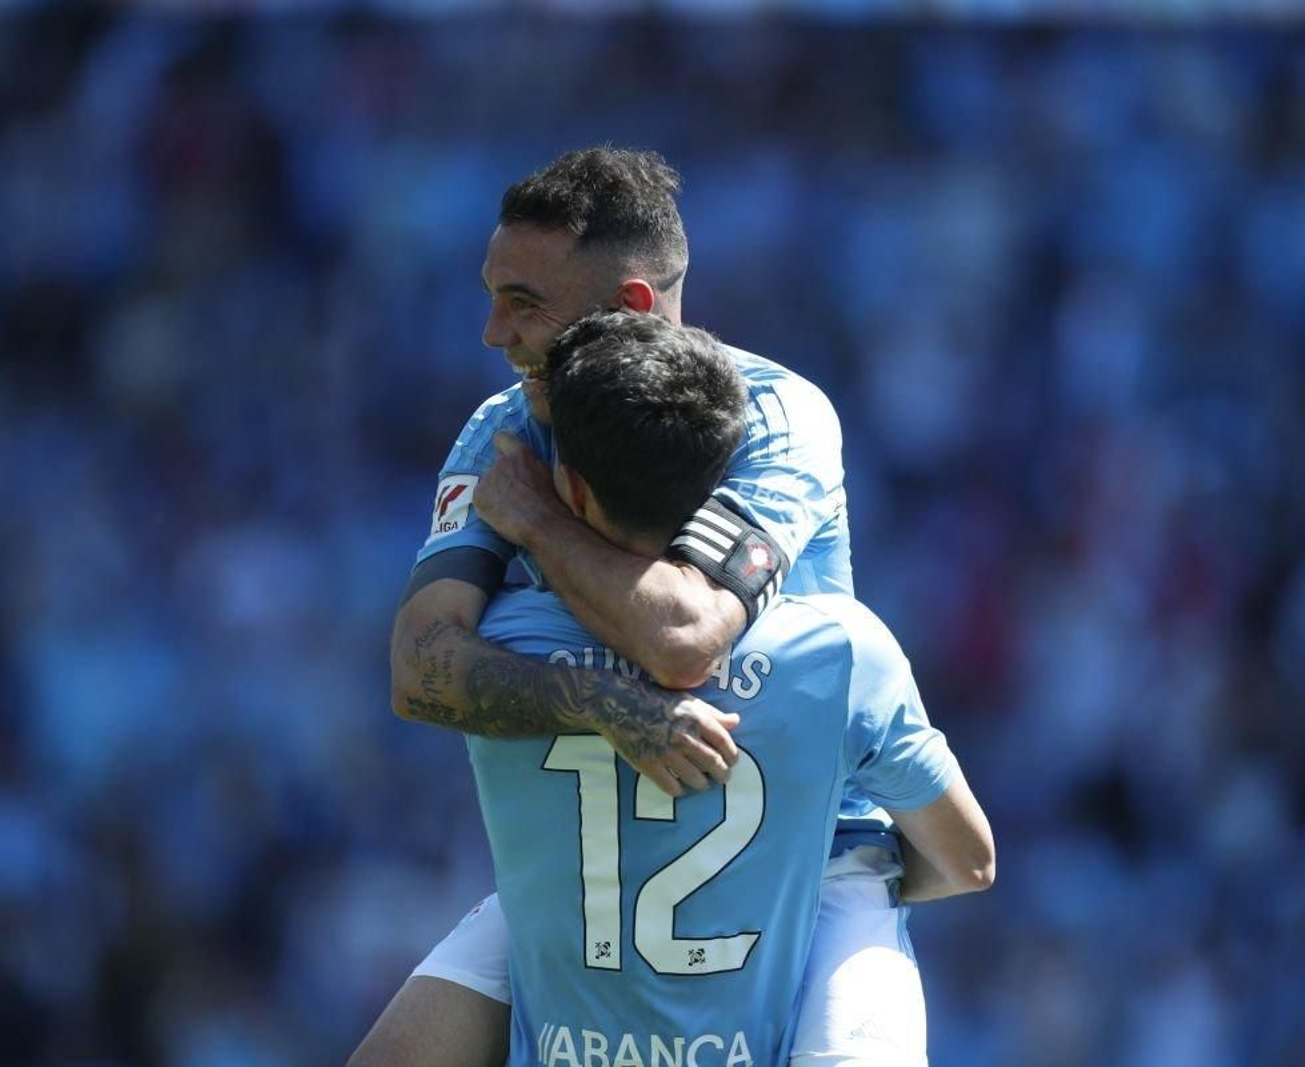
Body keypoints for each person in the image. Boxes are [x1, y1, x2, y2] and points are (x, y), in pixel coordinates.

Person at [367, 147, 937, 1065]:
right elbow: (418, 666)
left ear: (631, 307)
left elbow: (684, 640)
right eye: (491, 292)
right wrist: (608, 705)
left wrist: (539, 523)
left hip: (807, 860)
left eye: (524, 303)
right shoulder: (501, 428)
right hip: (593, 843)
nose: (491, 332)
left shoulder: (776, 420)